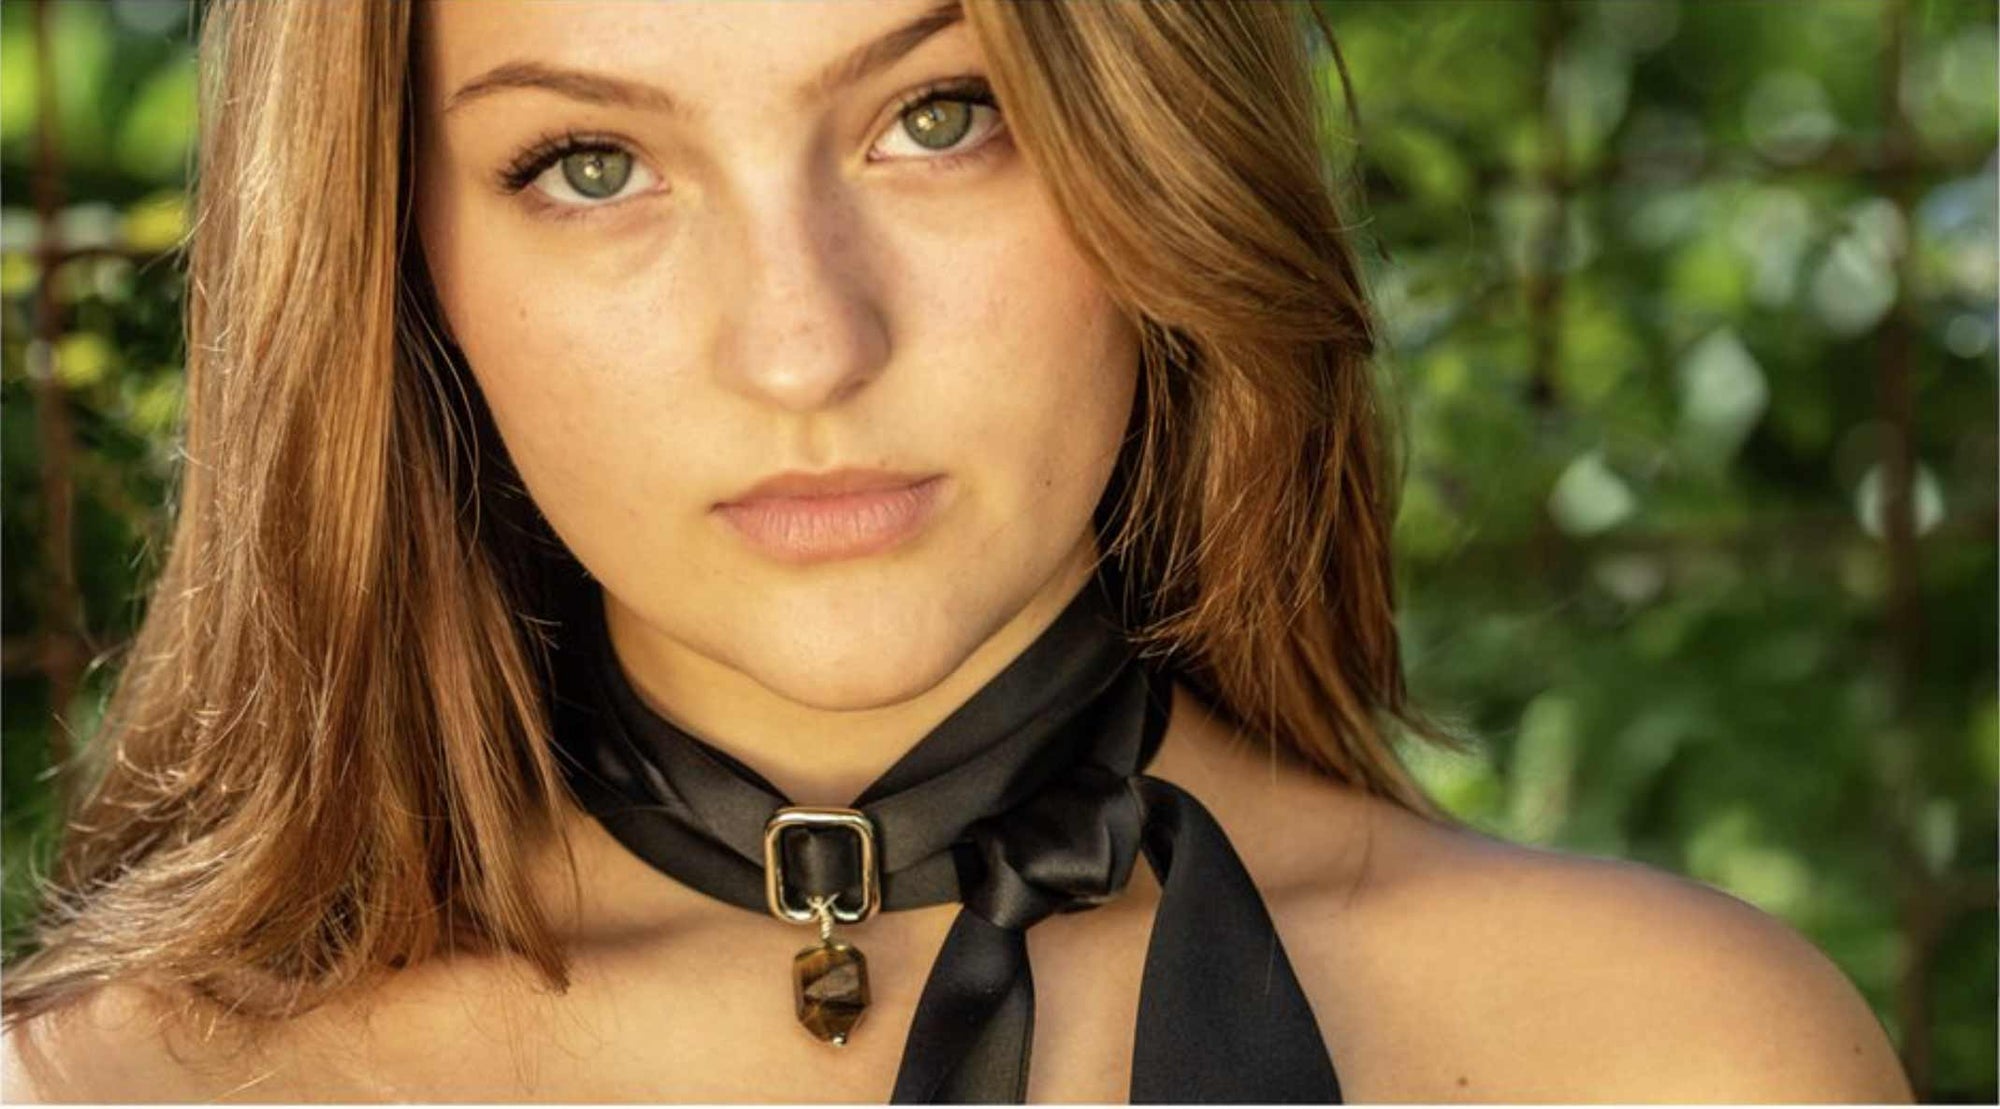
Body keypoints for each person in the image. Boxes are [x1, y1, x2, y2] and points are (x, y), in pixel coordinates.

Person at [1, 0, 1913, 1102]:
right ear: (402, 262)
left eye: (940, 116)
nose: (803, 346)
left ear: (1157, 144)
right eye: (592, 165)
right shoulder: (115, 1084)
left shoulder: (1668, 1051)